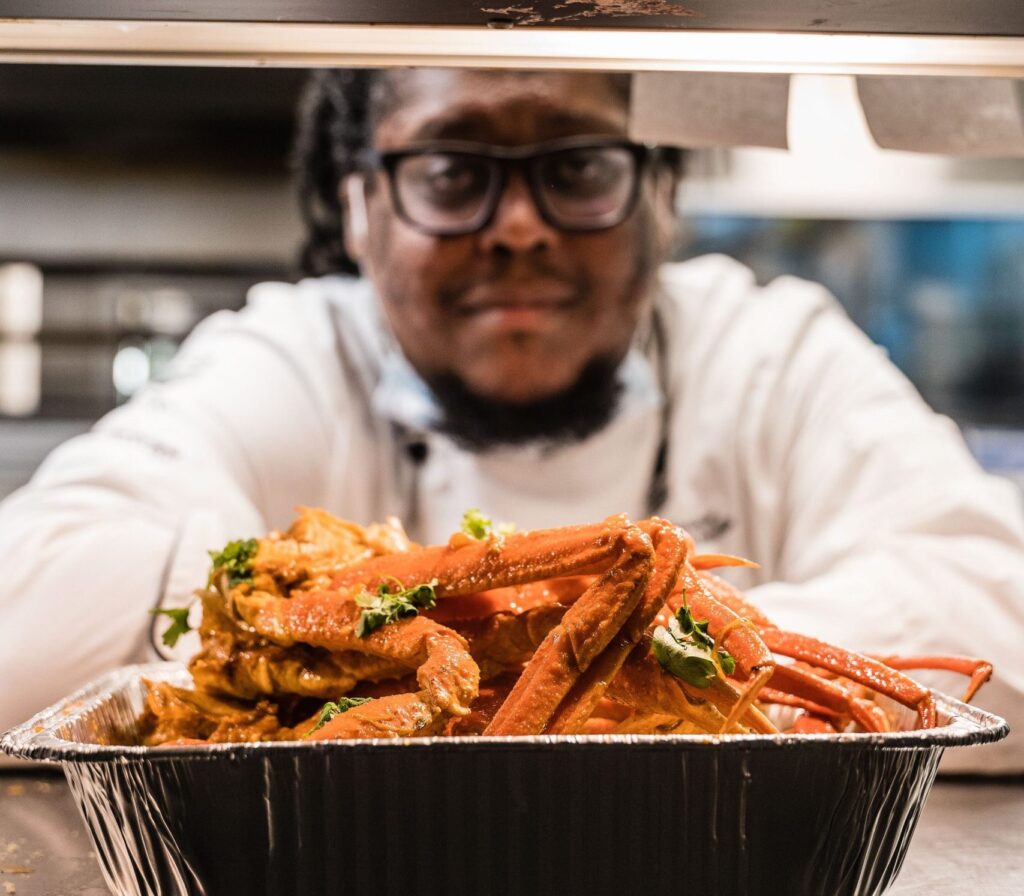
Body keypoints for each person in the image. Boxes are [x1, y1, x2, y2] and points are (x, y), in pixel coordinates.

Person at [0, 69, 1021, 770]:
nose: (519, 227)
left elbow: (993, 607)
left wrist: (641, 657)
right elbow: (29, 608)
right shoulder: (298, 357)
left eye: (577, 167)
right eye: (452, 172)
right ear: (357, 206)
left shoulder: (769, 351)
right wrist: (333, 623)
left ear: (662, 195)